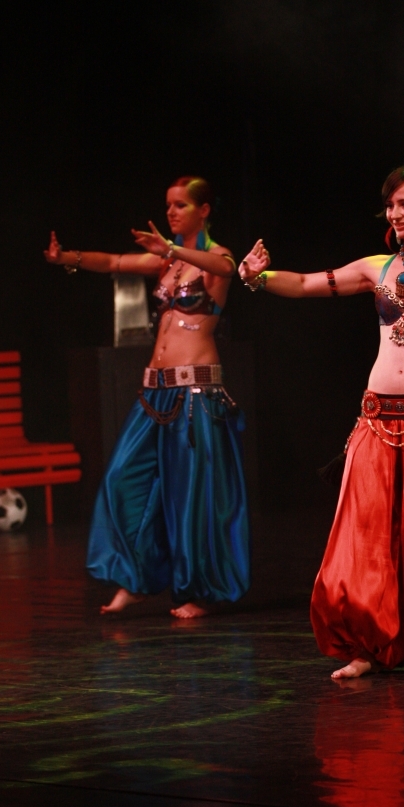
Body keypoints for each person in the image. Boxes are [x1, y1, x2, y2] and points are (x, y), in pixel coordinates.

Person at [239, 160, 404, 677]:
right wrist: (258, 277)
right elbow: (307, 284)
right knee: (366, 537)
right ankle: (367, 646)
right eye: (390, 205)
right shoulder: (376, 267)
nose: (395, 213)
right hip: (376, 419)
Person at [44, 176, 250, 618]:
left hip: (195, 392)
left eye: (181, 205)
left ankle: (199, 590)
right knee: (123, 480)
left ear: (204, 210)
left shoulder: (214, 259)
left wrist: (172, 249)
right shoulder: (166, 263)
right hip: (155, 394)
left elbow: (228, 269)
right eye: (168, 205)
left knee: (191, 495)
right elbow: (114, 261)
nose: (171, 212)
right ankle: (135, 581)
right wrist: (68, 258)